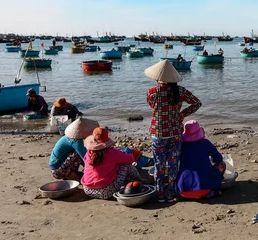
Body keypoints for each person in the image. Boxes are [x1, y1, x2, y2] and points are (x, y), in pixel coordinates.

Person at [145, 60, 202, 202]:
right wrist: (182, 114)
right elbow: (197, 103)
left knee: (159, 164)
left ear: (158, 78)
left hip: (158, 133)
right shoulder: (181, 91)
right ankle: (171, 193)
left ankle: (160, 194)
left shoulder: (152, 92)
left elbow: (152, 106)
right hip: (175, 132)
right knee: (172, 163)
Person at [80, 127, 142, 199]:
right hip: (106, 192)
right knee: (126, 165)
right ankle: (139, 181)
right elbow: (130, 159)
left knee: (113, 165)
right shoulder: (111, 153)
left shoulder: (88, 153)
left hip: (88, 190)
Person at [176, 120, 225, 198]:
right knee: (222, 164)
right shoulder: (205, 143)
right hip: (205, 190)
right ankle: (210, 190)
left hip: (183, 191)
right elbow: (218, 158)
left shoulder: (181, 144)